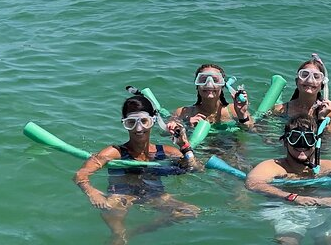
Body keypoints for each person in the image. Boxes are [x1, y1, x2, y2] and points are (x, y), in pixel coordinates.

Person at [74, 94, 200, 245]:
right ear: (124, 124)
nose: (138, 129)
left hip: (154, 194)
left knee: (191, 212)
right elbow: (81, 174)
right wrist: (92, 192)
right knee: (112, 214)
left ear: (152, 122)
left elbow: (196, 169)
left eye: (144, 122)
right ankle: (119, 234)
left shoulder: (166, 151)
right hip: (122, 195)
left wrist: (184, 146)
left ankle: (136, 232)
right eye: (131, 123)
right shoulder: (114, 152)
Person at [246, 115, 331, 244]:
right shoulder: (273, 167)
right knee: (288, 241)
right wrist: (293, 197)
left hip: (325, 206)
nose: (302, 144)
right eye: (295, 138)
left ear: (316, 142)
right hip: (285, 207)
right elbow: (253, 183)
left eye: (308, 138)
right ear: (285, 142)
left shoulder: (330, 167)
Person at [168, 63, 253, 131]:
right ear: (197, 85)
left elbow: (251, 131)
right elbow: (164, 134)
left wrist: (242, 115)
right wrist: (186, 127)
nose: (209, 84)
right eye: (203, 80)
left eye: (215, 80)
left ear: (222, 85)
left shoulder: (234, 111)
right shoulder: (182, 113)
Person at [272, 55, 331, 133]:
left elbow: (328, 141)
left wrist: (321, 118)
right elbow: (266, 133)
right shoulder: (279, 110)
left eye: (316, 77)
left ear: (322, 85)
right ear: (296, 81)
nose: (310, 80)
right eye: (304, 75)